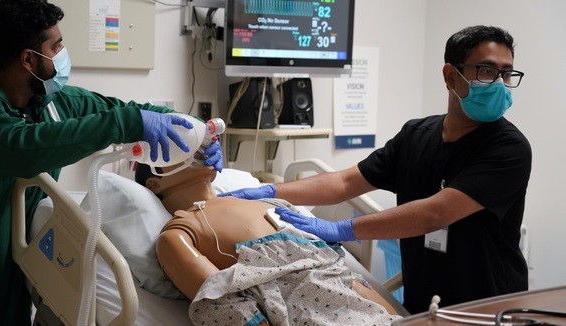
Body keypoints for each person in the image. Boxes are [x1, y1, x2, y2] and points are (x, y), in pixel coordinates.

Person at [220, 25, 532, 314]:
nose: (500, 84)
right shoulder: (417, 135)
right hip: (425, 306)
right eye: (488, 71)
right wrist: (270, 192)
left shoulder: (509, 148)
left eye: (506, 74)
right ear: (451, 76)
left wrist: (343, 229)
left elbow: (435, 214)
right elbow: (344, 182)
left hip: (489, 308)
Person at [0, 0, 222, 324]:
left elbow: (133, 110)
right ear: (28, 59)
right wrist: (128, 122)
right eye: (57, 47)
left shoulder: (50, 102)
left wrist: (198, 132)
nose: (64, 54)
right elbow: (18, 148)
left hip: (15, 268)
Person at [134, 164, 402, 325]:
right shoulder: (180, 231)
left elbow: (345, 276)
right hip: (306, 312)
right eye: (173, 149)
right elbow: (219, 303)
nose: (194, 147)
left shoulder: (269, 203)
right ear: (154, 182)